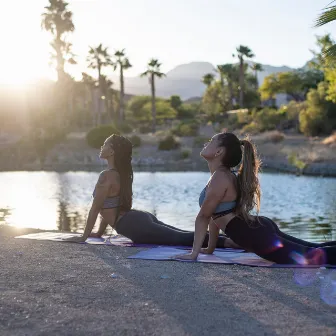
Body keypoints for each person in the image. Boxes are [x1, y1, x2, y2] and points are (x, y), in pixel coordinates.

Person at [174, 132, 336, 265]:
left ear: (219, 152)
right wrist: (210, 249)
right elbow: (214, 216)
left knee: (313, 256)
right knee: (314, 248)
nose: (206, 143)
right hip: (256, 228)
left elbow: (203, 216)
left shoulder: (220, 178)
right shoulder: (221, 176)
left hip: (254, 235)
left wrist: (193, 254)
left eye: (211, 140)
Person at [64, 134, 240, 249]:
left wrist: (84, 237)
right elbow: (109, 207)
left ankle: (231, 242)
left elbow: (96, 208)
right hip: (137, 218)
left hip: (133, 224)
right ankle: (233, 240)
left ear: (111, 151)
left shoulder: (106, 176)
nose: (101, 147)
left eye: (104, 144)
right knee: (179, 234)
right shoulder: (120, 174)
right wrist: (99, 233)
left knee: (180, 238)